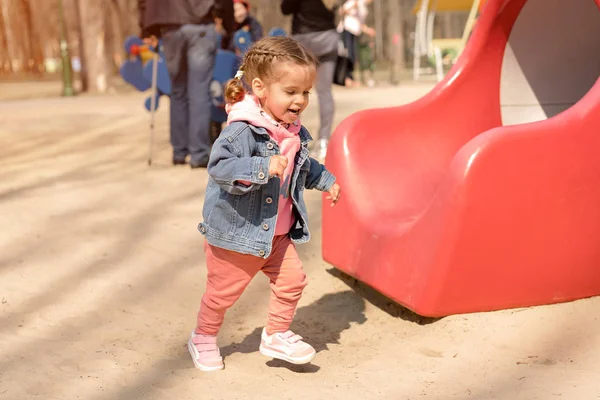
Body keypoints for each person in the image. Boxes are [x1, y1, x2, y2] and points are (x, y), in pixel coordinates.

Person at [188, 36, 342, 371]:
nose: (300, 100)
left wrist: (326, 180)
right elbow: (220, 167)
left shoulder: (291, 129)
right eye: (291, 92)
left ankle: (275, 333)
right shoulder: (243, 131)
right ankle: (203, 336)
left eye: (306, 92)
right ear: (260, 88)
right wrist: (260, 167)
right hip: (238, 234)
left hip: (276, 233)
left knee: (293, 281)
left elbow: (303, 165)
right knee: (222, 294)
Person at [138, 0, 234, 168]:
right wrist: (227, 22)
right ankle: (199, 153)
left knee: (177, 90)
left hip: (169, 26)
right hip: (200, 22)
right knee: (199, 91)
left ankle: (179, 152)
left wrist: (146, 26)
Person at [281, 0, 340, 160]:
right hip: (328, 38)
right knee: (325, 91)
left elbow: (286, 9)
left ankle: (295, 139)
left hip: (304, 40)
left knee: (295, 90)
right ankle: (324, 141)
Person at [339, 0, 376, 87]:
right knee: (348, 55)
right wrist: (353, 6)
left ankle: (350, 78)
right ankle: (346, 78)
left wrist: (368, 30)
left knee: (354, 56)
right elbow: (341, 11)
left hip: (355, 32)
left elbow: (360, 24)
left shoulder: (364, 9)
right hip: (346, 30)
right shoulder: (354, 2)